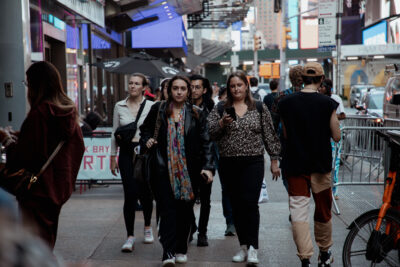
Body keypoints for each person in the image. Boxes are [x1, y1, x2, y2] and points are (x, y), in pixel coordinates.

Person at [0, 61, 85, 249]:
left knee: (36, 246)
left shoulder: (40, 114)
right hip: (57, 190)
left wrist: (7, 140)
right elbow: (74, 148)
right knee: (45, 243)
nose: (27, 88)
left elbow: (25, 156)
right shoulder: (68, 112)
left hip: (37, 191)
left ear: (37, 85)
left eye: (28, 83)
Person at [139, 75, 215, 266]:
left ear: (188, 91)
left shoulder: (197, 113)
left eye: (183, 88)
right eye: (175, 88)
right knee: (167, 211)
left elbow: (207, 143)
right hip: (162, 169)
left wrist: (208, 167)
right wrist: (147, 140)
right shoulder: (159, 109)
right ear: (169, 90)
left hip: (189, 171)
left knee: (185, 212)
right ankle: (168, 252)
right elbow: (145, 130)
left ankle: (181, 248)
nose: (179, 92)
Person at [207, 70, 281, 265]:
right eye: (232, 86)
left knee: (249, 203)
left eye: (239, 85)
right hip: (229, 162)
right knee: (237, 206)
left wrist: (274, 160)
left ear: (246, 86)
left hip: (253, 162)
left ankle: (253, 248)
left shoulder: (257, 106)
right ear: (228, 88)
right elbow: (211, 133)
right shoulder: (220, 108)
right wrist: (222, 123)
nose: (236, 89)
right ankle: (243, 246)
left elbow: (269, 134)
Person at [278, 62, 340, 267]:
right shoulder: (327, 103)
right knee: (323, 210)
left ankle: (305, 257)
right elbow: (337, 136)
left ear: (301, 79)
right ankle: (324, 253)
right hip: (320, 166)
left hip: (294, 165)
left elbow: (285, 134)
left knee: (298, 212)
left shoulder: (286, 103)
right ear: (321, 80)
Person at [110, 73, 155, 252]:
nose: (132, 86)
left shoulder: (152, 106)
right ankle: (129, 236)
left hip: (144, 153)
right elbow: (114, 132)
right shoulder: (119, 106)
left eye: (137, 84)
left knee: (145, 193)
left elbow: (154, 131)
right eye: (130, 83)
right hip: (127, 154)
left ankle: (147, 227)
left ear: (144, 87)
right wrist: (112, 157)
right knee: (129, 194)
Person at [189, 74, 215, 247]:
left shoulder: (212, 108)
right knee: (187, 198)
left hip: (207, 158)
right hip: (188, 159)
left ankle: (202, 233)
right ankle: (191, 226)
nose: (194, 90)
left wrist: (209, 165)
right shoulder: (183, 107)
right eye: (191, 86)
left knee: (205, 199)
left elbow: (211, 138)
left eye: (197, 87)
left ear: (204, 90)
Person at [319, 78, 346, 200]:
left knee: (334, 162)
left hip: (334, 134)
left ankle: (334, 191)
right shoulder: (317, 98)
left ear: (328, 87)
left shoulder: (336, 99)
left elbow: (343, 115)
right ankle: (324, 189)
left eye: (322, 86)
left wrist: (330, 116)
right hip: (323, 134)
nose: (320, 88)